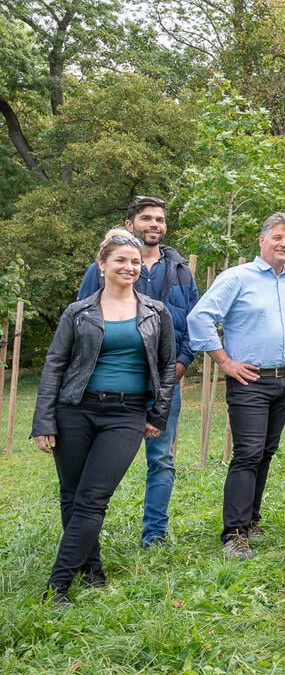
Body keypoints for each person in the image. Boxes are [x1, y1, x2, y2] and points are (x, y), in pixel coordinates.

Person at [32, 229, 176, 605]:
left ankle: (58, 584)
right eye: (120, 261)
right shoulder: (78, 312)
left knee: (93, 497)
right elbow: (54, 365)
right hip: (75, 409)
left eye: (134, 262)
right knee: (73, 493)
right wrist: (44, 420)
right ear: (102, 265)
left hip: (126, 414)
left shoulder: (156, 313)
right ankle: (91, 566)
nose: (129, 267)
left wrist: (157, 415)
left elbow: (165, 368)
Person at [76, 195, 199, 549]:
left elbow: (192, 323)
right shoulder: (105, 266)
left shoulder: (179, 271)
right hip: (111, 383)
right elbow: (81, 317)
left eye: (160, 219)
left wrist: (181, 363)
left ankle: (154, 535)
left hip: (164, 382)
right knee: (95, 462)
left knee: (162, 458)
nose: (154, 225)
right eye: (147, 218)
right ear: (130, 224)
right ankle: (88, 536)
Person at [187, 212, 285, 561]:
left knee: (266, 453)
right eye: (278, 238)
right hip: (249, 382)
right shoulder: (236, 278)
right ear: (262, 240)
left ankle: (252, 518)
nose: (283, 244)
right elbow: (200, 318)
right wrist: (225, 362)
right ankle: (234, 533)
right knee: (248, 454)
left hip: (284, 380)